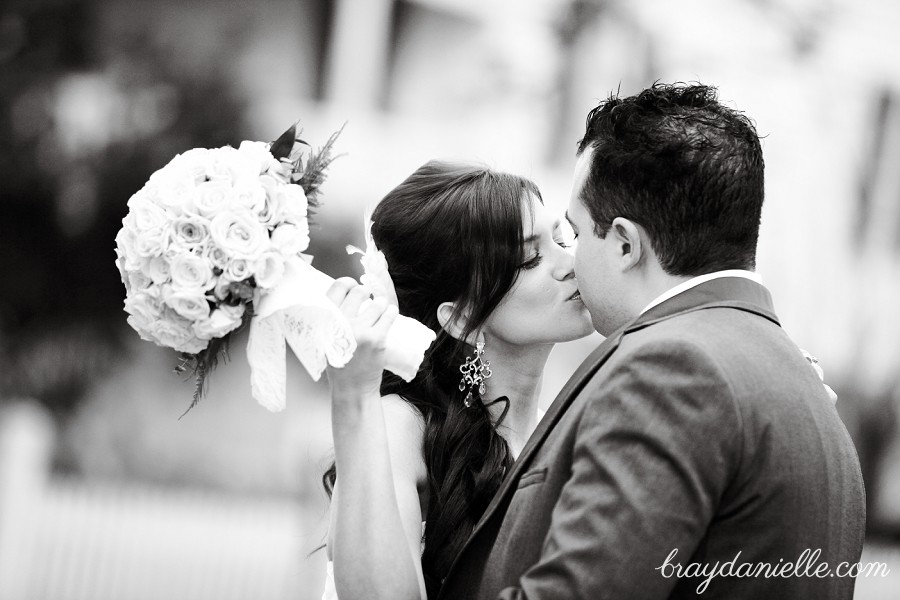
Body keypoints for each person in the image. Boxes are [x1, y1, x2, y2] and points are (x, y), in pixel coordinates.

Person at [436, 83, 866, 599]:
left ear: (623, 243)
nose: (570, 260)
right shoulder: (805, 389)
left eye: (576, 233)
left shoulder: (672, 369)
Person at [320, 161, 595, 599]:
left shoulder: (565, 430)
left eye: (562, 239)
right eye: (530, 258)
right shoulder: (398, 426)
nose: (569, 263)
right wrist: (353, 395)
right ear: (463, 318)